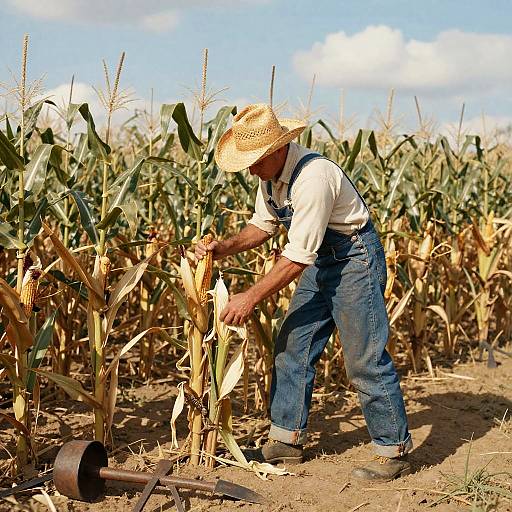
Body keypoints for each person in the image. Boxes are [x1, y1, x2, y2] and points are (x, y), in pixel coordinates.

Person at [194, 103, 413, 481]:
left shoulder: (313, 177)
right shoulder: (269, 177)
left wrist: (250, 297)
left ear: (276, 150)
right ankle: (286, 440)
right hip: (319, 261)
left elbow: (296, 258)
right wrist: (224, 248)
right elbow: (262, 227)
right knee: (292, 344)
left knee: (364, 359)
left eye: (255, 161)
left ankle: (394, 450)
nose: (250, 170)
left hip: (352, 259)